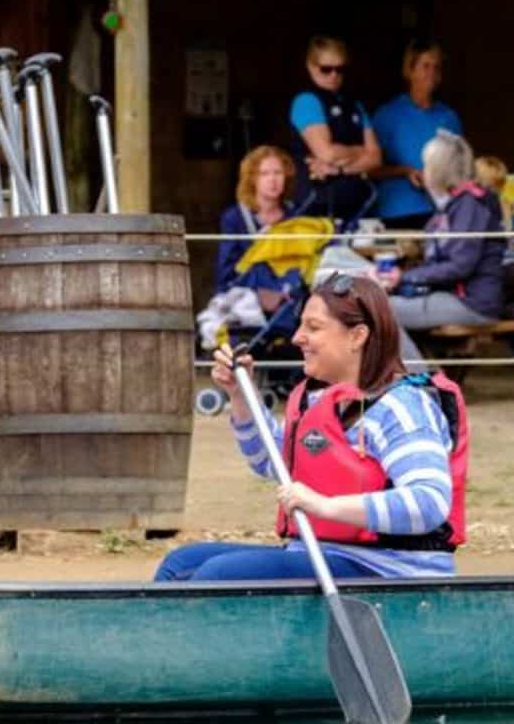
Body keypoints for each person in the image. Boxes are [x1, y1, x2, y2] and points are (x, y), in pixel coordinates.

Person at [156, 273, 468, 581]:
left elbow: (429, 502)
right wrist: (241, 394)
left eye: (313, 328)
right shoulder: (317, 399)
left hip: (388, 569)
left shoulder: (402, 407)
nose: (297, 337)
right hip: (319, 553)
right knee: (180, 564)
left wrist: (326, 507)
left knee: (218, 576)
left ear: (357, 336)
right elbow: (270, 461)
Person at [375, 132, 507, 364]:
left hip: (472, 302)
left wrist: (403, 277)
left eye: (426, 165)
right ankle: (421, 379)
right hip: (454, 295)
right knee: (376, 305)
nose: (423, 170)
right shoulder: (453, 204)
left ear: (439, 170)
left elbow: (460, 265)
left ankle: (421, 383)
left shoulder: (469, 206)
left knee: (379, 312)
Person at [371, 39, 464, 230]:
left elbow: (462, 167)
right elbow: (370, 169)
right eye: (425, 66)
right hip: (397, 211)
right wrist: (406, 171)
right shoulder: (388, 115)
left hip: (442, 211)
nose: (431, 73)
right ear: (409, 70)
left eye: (436, 68)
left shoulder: (448, 117)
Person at [289, 36, 380, 224]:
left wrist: (339, 169)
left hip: (359, 204)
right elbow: (327, 154)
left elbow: (375, 158)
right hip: (317, 203)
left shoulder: (354, 104)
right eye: (326, 69)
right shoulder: (307, 101)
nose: (333, 75)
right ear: (311, 66)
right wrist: (359, 151)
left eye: (340, 69)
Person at [215, 145, 295, 292]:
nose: (273, 180)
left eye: (278, 172)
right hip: (248, 297)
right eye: (264, 174)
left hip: (288, 295)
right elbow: (226, 273)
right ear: (252, 179)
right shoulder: (235, 217)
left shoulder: (295, 214)